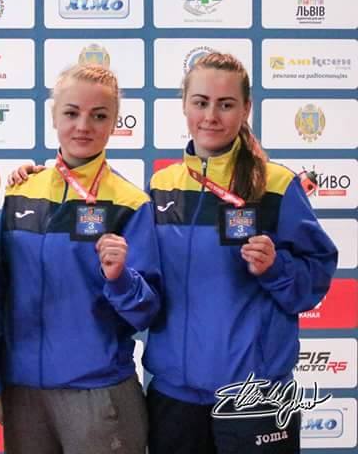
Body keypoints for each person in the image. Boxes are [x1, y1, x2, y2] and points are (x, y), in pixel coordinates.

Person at [144, 52, 338, 453]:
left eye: (226, 104)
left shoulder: (277, 185)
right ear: (185, 105)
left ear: (246, 108)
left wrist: (276, 267)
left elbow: (314, 279)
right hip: (175, 398)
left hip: (256, 396)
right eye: (201, 102)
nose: (211, 116)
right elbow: (143, 279)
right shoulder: (162, 186)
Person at [0, 64, 162, 454]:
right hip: (23, 392)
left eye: (98, 116)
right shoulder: (22, 191)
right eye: (71, 113)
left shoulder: (129, 203)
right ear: (53, 116)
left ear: (115, 123)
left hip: (97, 391)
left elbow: (146, 312)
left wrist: (120, 278)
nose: (83, 126)